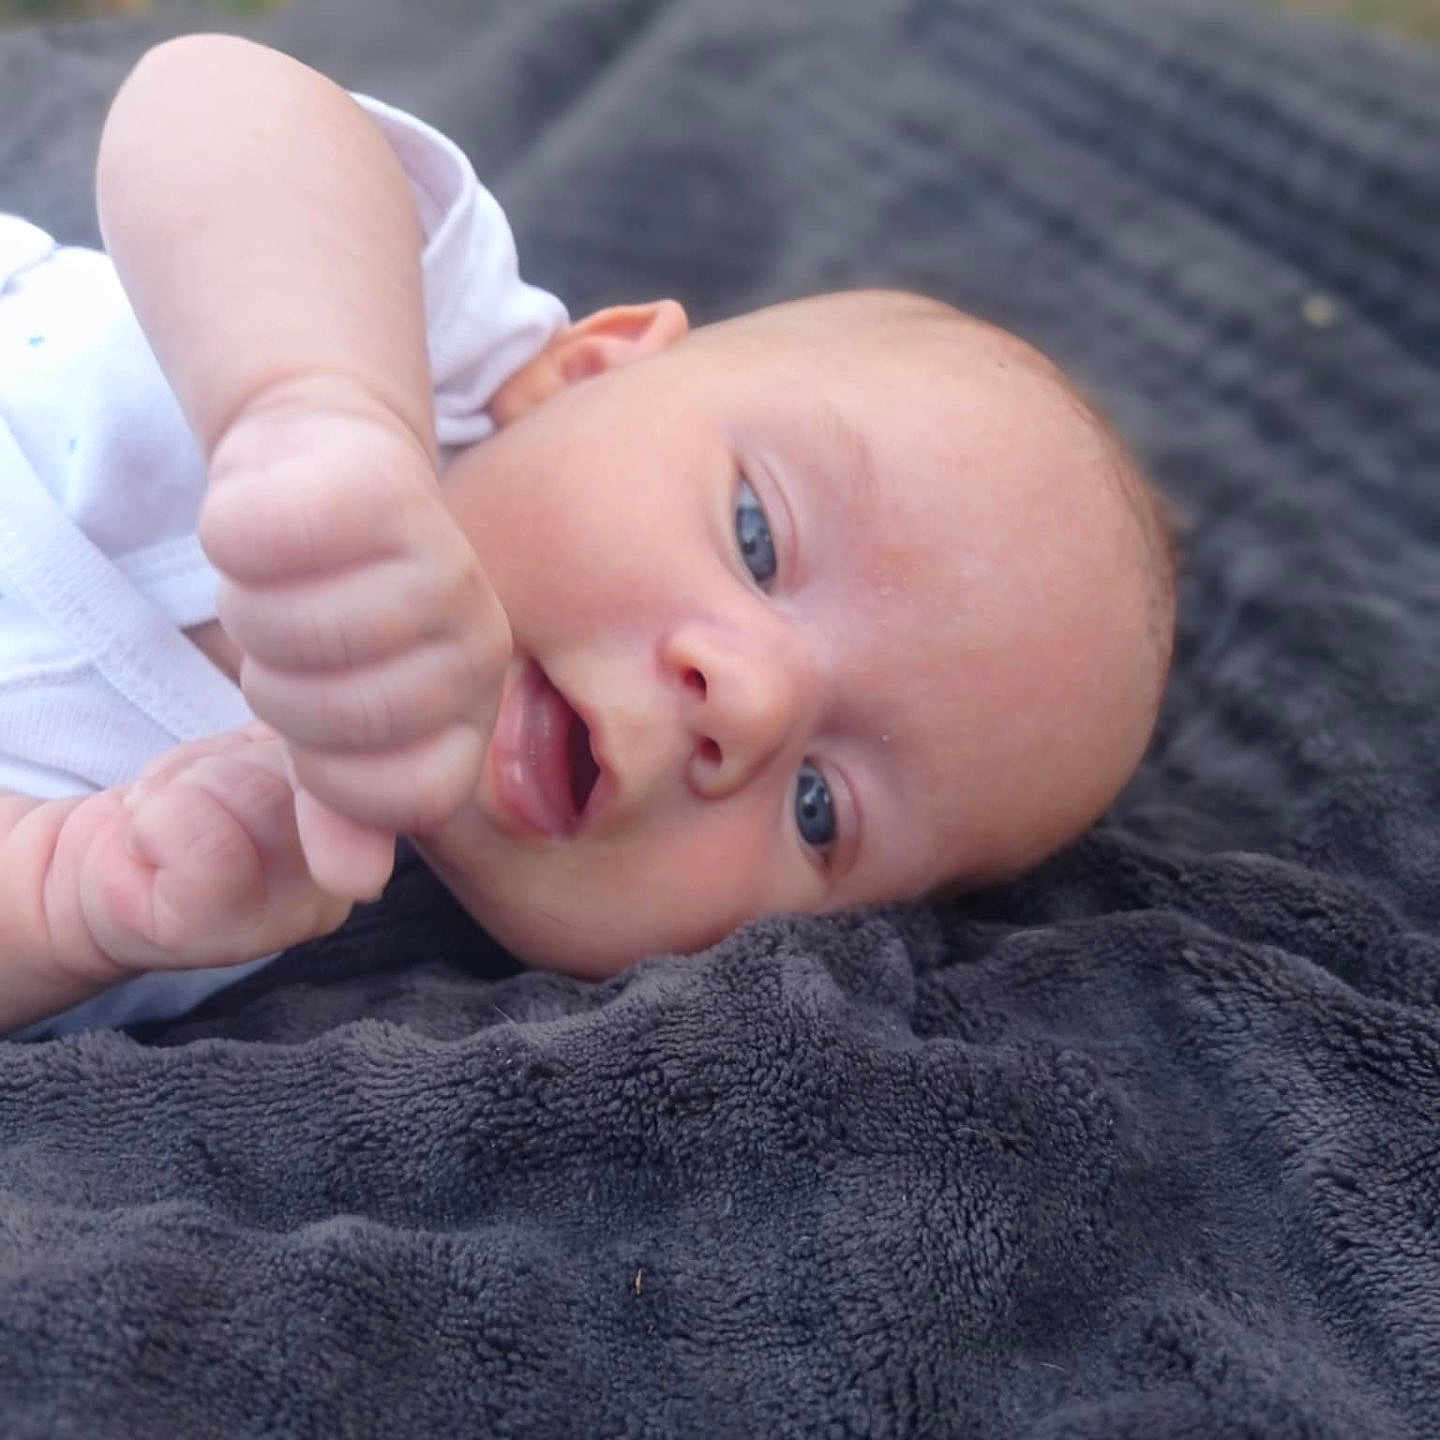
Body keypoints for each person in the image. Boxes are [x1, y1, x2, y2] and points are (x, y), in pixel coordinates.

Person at [0, 35, 1175, 1038]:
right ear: (586, 370)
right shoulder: (422, 340)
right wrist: (313, 398)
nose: (748, 705)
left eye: (822, 809)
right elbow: (205, 102)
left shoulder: (247, 881)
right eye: (756, 537)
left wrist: (62, 908)